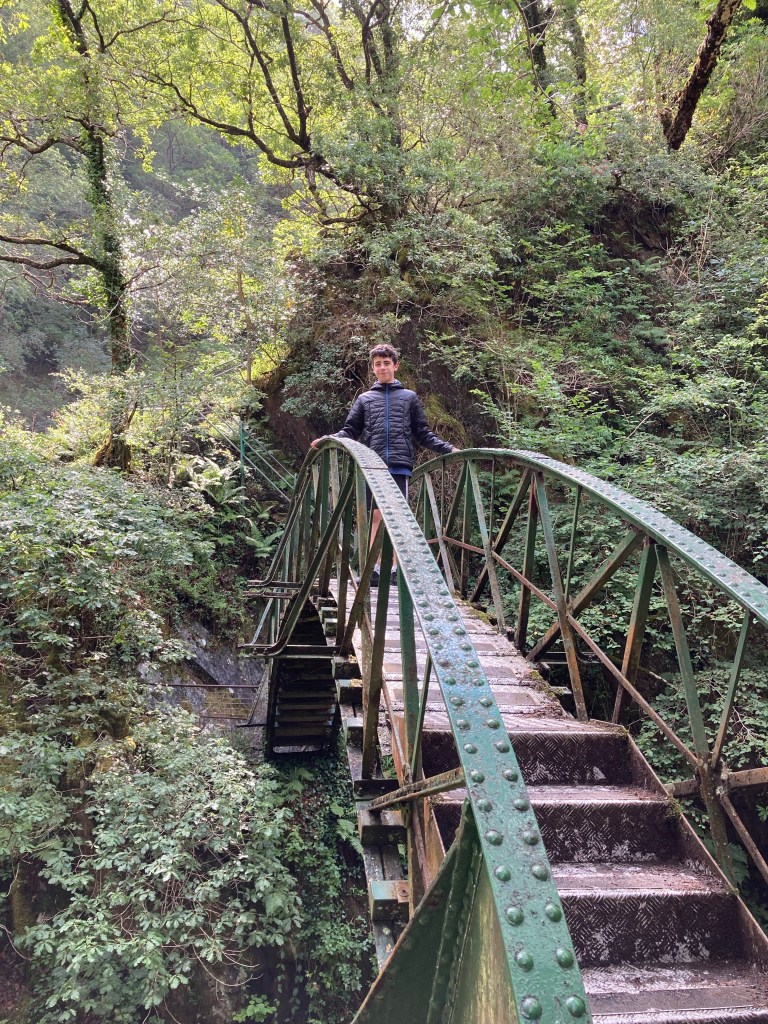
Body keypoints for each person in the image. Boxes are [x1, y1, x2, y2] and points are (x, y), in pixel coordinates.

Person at [311, 343, 458, 586]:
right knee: (377, 517)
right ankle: (377, 569)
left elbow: (423, 433)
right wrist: (331, 438)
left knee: (397, 518)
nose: (382, 367)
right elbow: (350, 431)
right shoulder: (365, 399)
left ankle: (396, 570)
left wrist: (448, 448)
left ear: (395, 365)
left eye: (386, 363)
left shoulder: (409, 398)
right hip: (372, 465)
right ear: (373, 368)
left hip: (399, 465)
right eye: (377, 364)